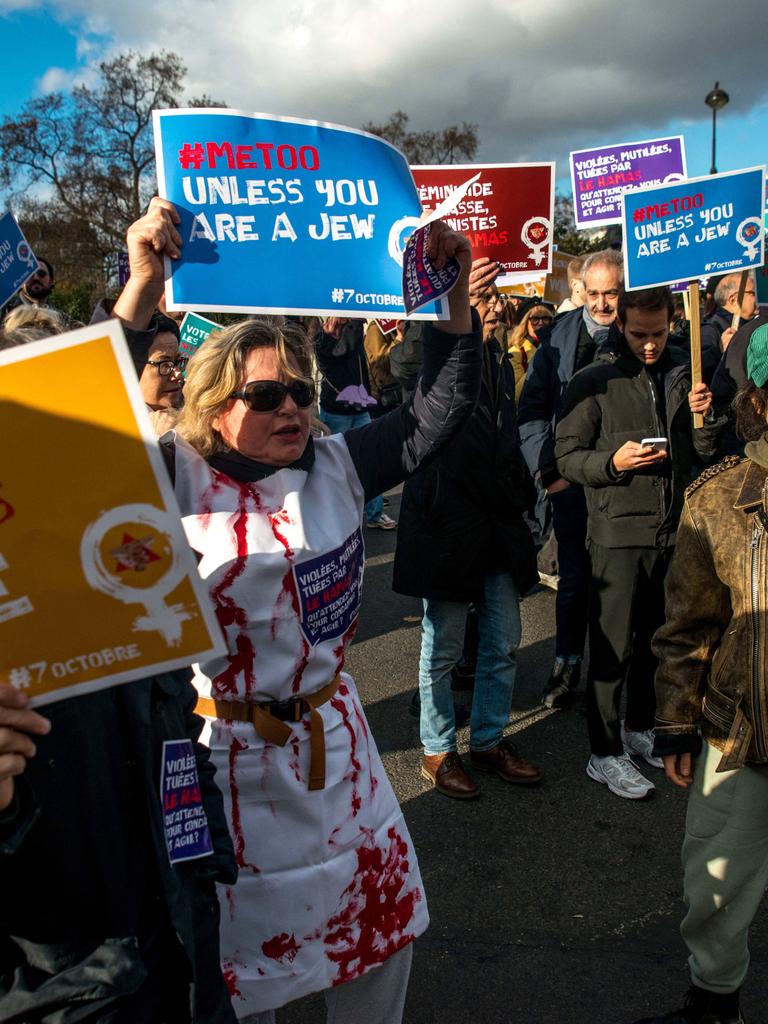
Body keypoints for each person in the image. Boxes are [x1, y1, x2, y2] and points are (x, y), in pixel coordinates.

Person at [109, 197, 482, 1022]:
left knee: (379, 947)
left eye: (302, 391)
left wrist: (451, 293)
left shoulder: (338, 463)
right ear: (210, 403)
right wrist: (140, 289)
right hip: (220, 758)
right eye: (267, 393)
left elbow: (437, 408)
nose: (292, 410)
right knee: (238, 978)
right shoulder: (166, 476)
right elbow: (91, 418)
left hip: (336, 749)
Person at [630, 337, 768, 1024]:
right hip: (739, 731)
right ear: (758, 401)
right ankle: (714, 1005)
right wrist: (677, 724)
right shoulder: (716, 498)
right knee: (714, 884)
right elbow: (687, 627)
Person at [554, 286, 719, 800]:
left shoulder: (684, 371)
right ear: (619, 326)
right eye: (638, 334)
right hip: (617, 533)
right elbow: (564, 457)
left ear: (673, 321)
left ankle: (638, 728)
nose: (650, 345)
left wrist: (704, 417)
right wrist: (612, 464)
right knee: (611, 651)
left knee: (655, 642)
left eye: (659, 333)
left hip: (673, 530)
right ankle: (603, 754)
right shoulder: (594, 380)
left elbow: (703, 452)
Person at [393, 259, 541, 800]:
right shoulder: (430, 352)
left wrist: (528, 499)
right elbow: (406, 364)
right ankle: (437, 749)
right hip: (446, 520)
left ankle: (488, 740)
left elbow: (509, 437)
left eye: (494, 298)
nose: (495, 307)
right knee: (444, 646)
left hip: (498, 522)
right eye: (484, 299)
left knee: (502, 642)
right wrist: (452, 310)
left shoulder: (502, 361)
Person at [519, 248, 624, 709]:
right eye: (595, 293)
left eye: (612, 294)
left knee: (619, 586)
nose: (603, 304)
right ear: (581, 291)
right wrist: (549, 473)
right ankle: (565, 665)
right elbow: (532, 412)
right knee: (576, 581)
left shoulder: (641, 335)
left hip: (625, 484)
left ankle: (612, 682)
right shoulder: (556, 340)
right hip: (570, 484)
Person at [315, 316, 397, 529]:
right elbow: (345, 349)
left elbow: (363, 365)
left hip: (360, 409)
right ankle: (335, 517)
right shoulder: (324, 340)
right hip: (337, 413)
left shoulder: (353, 336)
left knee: (370, 461)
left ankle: (374, 513)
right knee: (335, 466)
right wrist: (353, 320)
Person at [700, 272, 758, 383]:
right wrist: (720, 351)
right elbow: (701, 374)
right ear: (733, 300)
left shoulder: (752, 325)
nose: (758, 297)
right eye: (753, 293)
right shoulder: (710, 331)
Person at [507, 303, 553, 403]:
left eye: (545, 318)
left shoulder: (557, 346)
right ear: (526, 323)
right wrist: (539, 360)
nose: (541, 323)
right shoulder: (517, 352)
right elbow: (515, 394)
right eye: (535, 319)